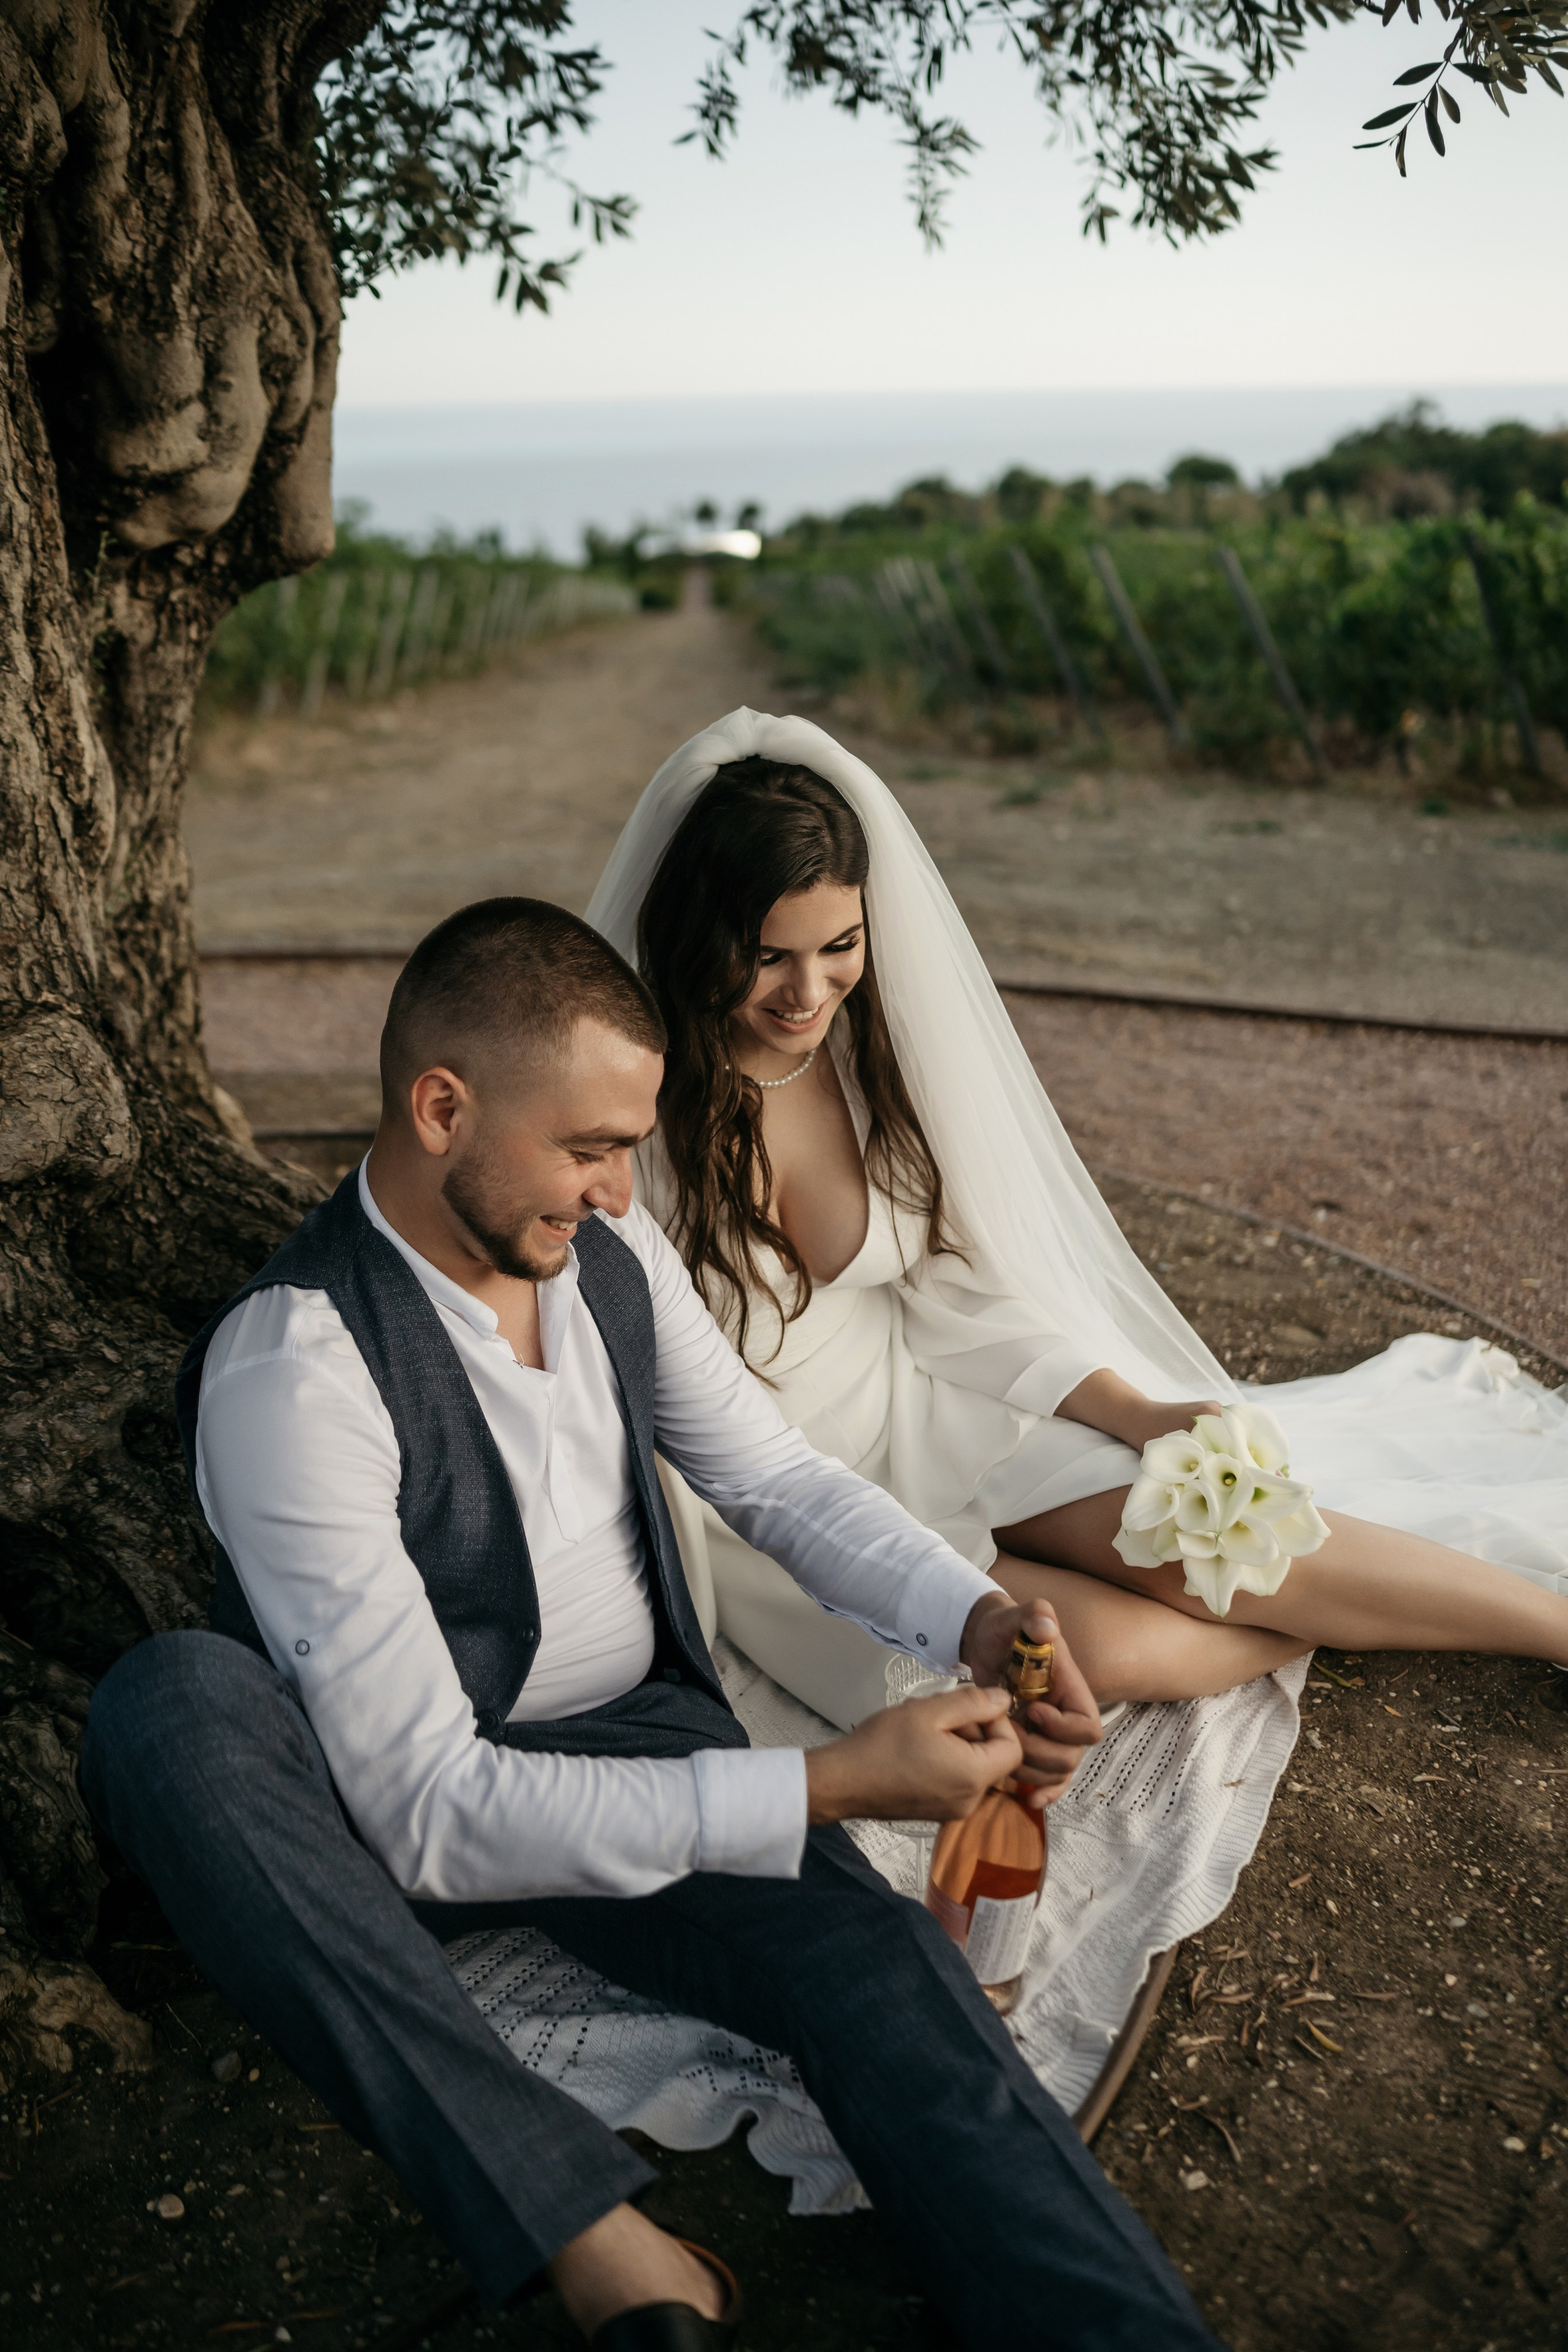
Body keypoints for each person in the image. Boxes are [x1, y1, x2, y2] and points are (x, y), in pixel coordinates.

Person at [82, 898, 1226, 2352]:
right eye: (588, 1148)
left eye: (630, 1146)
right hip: (390, 1799)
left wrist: (977, 1614)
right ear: (442, 1108)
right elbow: (432, 1811)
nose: (622, 1190)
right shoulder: (295, 1369)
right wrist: (827, 1782)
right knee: (168, 1706)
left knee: (878, 1965)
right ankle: (589, 2233)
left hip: (640, 1750)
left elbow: (772, 1476)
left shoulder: (607, 1257)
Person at [585, 707, 1568, 1735]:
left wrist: (1133, 1414)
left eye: (840, 946)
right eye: (767, 956)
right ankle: (1338, 1618)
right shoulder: (632, 1109)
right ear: (704, 940)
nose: (808, 990)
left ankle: (1549, 1625)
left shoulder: (866, 1057)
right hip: (778, 1500)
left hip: (930, 1402)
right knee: (1091, 1655)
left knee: (1222, 1538)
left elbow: (956, 1285)